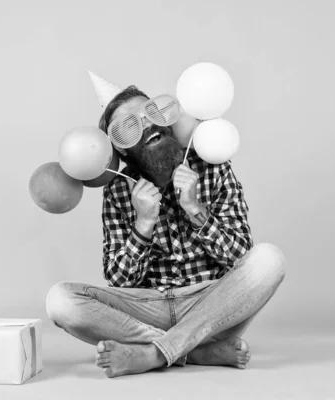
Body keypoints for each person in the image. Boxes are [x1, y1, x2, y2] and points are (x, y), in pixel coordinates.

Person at [46, 85, 286, 378]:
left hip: (211, 302)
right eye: (130, 126)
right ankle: (194, 350)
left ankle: (155, 353)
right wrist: (143, 225)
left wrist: (196, 211)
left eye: (152, 113)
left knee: (269, 259)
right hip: (149, 306)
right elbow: (119, 280)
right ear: (121, 147)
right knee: (60, 301)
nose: (146, 123)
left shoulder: (213, 166)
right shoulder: (118, 189)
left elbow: (240, 258)